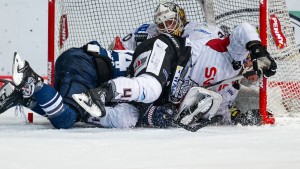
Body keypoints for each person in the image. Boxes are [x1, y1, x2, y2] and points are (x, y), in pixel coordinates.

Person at [73, 21, 277, 132]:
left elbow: (221, 108)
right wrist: (257, 48)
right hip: (168, 51)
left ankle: (84, 111)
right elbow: (243, 28)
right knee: (150, 86)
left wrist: (240, 118)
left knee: (129, 118)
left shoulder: (231, 80)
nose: (252, 66)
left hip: (168, 87)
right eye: (254, 58)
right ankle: (101, 93)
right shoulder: (233, 51)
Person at [0, 41, 139, 129]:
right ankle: (32, 80)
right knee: (65, 119)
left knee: (58, 108)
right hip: (85, 67)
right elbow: (122, 117)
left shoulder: (145, 59)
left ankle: (22, 97)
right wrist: (86, 113)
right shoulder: (147, 85)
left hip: (79, 60)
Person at [109, 1, 224, 51]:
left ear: (181, 18)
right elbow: (120, 47)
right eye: (162, 25)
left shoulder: (199, 31)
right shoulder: (146, 30)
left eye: (170, 22)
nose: (167, 29)